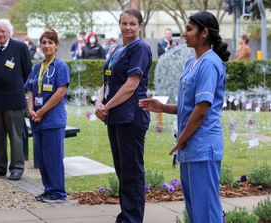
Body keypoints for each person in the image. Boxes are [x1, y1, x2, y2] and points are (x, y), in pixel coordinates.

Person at [139, 11, 230, 223]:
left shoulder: (209, 63)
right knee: (195, 210)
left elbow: (201, 110)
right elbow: (187, 107)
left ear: (204, 33)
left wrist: (181, 141)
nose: (184, 34)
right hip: (191, 147)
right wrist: (163, 107)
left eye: (189, 29)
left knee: (206, 210)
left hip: (202, 147)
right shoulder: (192, 63)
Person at [95, 8, 152, 223]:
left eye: (132, 24)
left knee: (132, 171)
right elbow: (107, 81)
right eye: (124, 23)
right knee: (122, 169)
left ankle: (132, 218)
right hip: (115, 115)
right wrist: (100, 102)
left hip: (131, 116)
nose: (128, 27)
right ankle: (126, 215)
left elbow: (131, 85)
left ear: (140, 26)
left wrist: (107, 106)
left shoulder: (140, 48)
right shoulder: (118, 49)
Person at [0, 19, 32, 180]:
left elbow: (28, 73)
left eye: (3, 31)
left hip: (14, 101)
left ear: (9, 32)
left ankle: (17, 168)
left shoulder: (20, 47)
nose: (0, 34)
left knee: (15, 136)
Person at [24, 29, 70, 203]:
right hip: (37, 119)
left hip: (52, 120)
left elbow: (60, 92)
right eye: (44, 42)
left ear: (57, 46)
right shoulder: (37, 67)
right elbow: (29, 89)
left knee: (53, 157)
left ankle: (58, 192)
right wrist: (31, 110)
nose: (47, 45)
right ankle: (48, 189)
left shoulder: (60, 66)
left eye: (50, 42)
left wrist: (41, 111)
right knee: (42, 159)